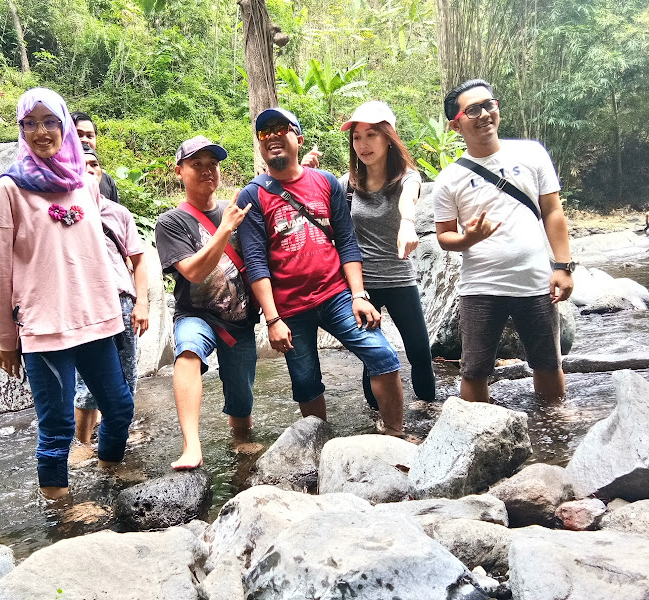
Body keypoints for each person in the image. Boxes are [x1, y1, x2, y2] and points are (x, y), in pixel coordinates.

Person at [0, 88, 134, 499]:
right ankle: (61, 511)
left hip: (96, 321)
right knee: (56, 429)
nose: (41, 131)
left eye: (50, 121)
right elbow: (3, 270)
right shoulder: (11, 189)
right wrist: (7, 339)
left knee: (120, 408)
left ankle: (108, 474)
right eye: (30, 123)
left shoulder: (85, 184)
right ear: (21, 129)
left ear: (65, 126)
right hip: (45, 327)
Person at [237, 107, 408, 436]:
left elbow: (346, 241)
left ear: (298, 139)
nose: (271, 135)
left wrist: (359, 295)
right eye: (264, 132)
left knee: (383, 356)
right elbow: (256, 261)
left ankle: (396, 434)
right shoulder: (253, 195)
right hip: (289, 308)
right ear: (260, 146)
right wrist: (273, 320)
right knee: (305, 381)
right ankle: (319, 446)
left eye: (280, 128)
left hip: (336, 296)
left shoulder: (326, 182)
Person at [433, 79, 574, 403]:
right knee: (474, 370)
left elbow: (552, 211)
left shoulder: (531, 153)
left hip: (535, 280)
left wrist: (564, 266)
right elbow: (444, 237)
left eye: (488, 105)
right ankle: (476, 433)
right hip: (481, 286)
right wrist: (468, 238)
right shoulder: (449, 180)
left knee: (548, 363)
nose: (484, 114)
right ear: (456, 124)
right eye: (473, 109)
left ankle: (555, 432)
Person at [155, 135, 258, 469]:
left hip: (240, 322)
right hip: (196, 314)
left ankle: (242, 452)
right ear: (179, 171)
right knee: (187, 351)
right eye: (196, 165)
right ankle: (191, 446)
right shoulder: (171, 222)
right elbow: (194, 272)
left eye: (212, 164)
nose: (206, 171)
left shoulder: (238, 211)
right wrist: (224, 230)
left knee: (242, 409)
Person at [338, 101, 436, 404]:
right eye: (357, 137)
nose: (363, 144)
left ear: (388, 137)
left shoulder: (407, 177)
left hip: (399, 279)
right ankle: (377, 424)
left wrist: (408, 223)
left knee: (420, 353)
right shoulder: (348, 185)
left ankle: (430, 415)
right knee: (375, 360)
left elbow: (409, 199)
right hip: (362, 286)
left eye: (371, 135)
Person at [72, 143, 149, 448]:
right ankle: (83, 444)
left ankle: (115, 439)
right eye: (82, 164)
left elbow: (139, 260)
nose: (89, 170)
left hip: (122, 299)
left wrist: (141, 303)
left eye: (94, 165)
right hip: (87, 303)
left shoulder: (118, 213)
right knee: (87, 380)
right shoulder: (67, 213)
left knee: (127, 373)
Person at [70, 111, 119, 203]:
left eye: (89, 136)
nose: (84, 140)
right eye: (78, 134)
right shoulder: (57, 177)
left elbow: (115, 214)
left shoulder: (107, 181)